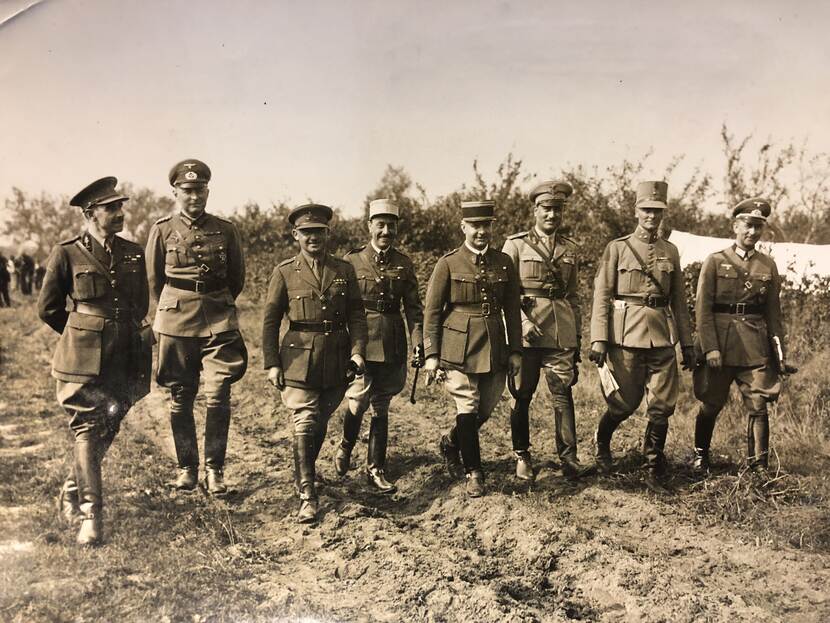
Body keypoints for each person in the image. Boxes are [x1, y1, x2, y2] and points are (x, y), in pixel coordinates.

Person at [37, 177, 151, 545]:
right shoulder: (67, 252)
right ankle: (91, 515)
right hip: (82, 359)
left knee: (109, 424)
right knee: (88, 427)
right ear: (90, 214)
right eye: (111, 208)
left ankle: (73, 486)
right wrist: (81, 335)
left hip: (124, 356)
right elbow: (49, 309)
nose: (119, 213)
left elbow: (140, 306)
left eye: (121, 207)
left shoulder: (133, 252)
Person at [145, 159, 247, 496]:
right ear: (175, 191)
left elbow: (237, 278)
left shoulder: (226, 229)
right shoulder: (161, 230)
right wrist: (167, 313)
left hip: (218, 317)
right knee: (181, 395)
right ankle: (187, 467)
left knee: (219, 394)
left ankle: (215, 469)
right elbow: (154, 281)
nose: (194, 196)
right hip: (176, 320)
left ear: (207, 190)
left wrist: (215, 301)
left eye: (199, 189)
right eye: (187, 190)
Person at [262, 204, 368, 523]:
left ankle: (303, 472)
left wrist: (358, 350)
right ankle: (307, 495)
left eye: (318, 232)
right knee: (305, 422)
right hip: (298, 358)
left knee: (320, 422)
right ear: (296, 235)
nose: (313, 238)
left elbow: (357, 315)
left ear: (327, 234)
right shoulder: (284, 272)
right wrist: (272, 363)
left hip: (336, 358)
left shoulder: (343, 270)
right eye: (307, 233)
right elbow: (269, 321)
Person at [588, 181, 694, 494]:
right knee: (623, 403)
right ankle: (602, 445)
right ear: (636, 211)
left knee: (662, 406)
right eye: (647, 210)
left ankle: (652, 467)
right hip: (626, 336)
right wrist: (599, 340)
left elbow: (679, 303)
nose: (652, 216)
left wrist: (687, 344)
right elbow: (602, 295)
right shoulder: (618, 248)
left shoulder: (670, 251)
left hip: (662, 337)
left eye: (657, 211)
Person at [423, 200, 523, 497]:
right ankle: (474, 472)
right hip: (458, 346)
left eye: (486, 225)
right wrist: (431, 355)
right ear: (463, 227)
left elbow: (513, 310)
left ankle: (451, 442)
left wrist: (515, 350)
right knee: (467, 405)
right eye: (475, 226)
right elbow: (432, 311)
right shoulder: (449, 263)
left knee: (483, 409)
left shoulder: (504, 262)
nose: (481, 231)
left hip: (493, 344)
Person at [691, 198, 794, 477]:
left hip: (754, 346)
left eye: (758, 227)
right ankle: (700, 456)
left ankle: (759, 465)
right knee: (711, 403)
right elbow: (703, 310)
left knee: (759, 404)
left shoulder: (768, 266)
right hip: (720, 347)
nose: (752, 232)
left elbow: (774, 314)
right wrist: (710, 348)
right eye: (748, 225)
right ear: (735, 226)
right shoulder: (715, 261)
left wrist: (779, 355)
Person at [502, 180, 592, 481]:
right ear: (535, 210)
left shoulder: (570, 249)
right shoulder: (515, 245)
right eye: (547, 208)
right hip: (526, 332)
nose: (552, 215)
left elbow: (573, 296)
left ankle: (569, 458)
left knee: (562, 394)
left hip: (559, 332)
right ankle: (522, 455)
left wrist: (576, 338)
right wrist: (523, 324)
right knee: (522, 394)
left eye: (557, 209)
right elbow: (506, 293)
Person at [334, 199, 424, 494]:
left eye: (391, 226)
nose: (386, 231)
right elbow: (342, 307)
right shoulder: (352, 261)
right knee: (358, 401)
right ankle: (346, 445)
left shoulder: (404, 263)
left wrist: (419, 343)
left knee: (382, 405)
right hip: (362, 340)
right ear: (369, 226)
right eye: (380, 225)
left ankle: (375, 468)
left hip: (392, 340)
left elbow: (413, 308)